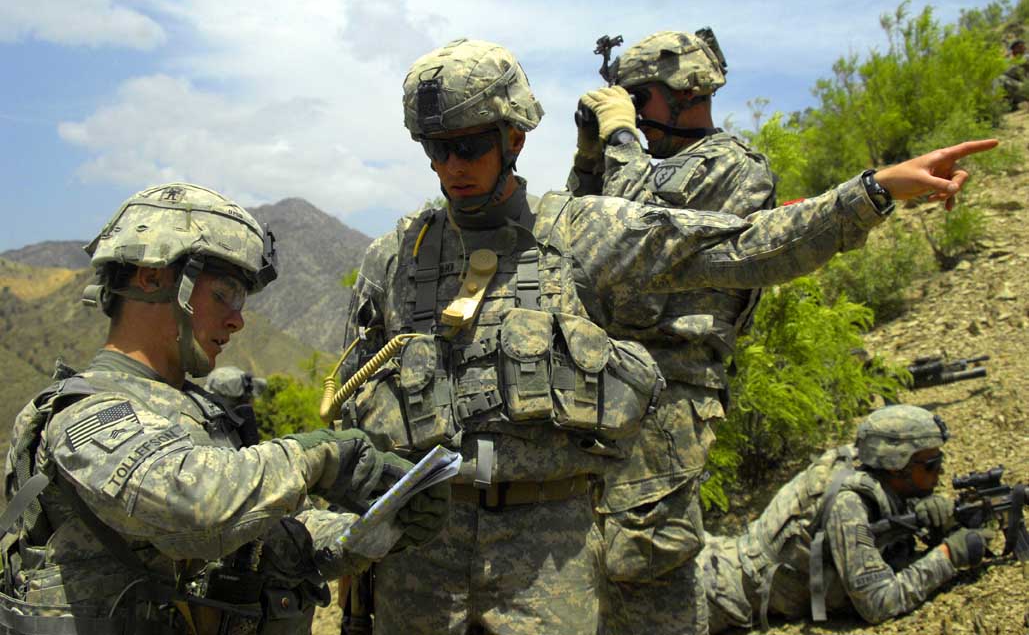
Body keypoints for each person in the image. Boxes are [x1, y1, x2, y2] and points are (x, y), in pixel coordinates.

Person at [338, 36, 995, 634]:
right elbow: (354, 408)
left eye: (470, 143)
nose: (451, 164)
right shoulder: (394, 256)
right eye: (435, 147)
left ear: (514, 137)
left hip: (545, 554)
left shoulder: (577, 233)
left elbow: (741, 246)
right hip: (423, 553)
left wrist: (873, 192)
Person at [0, 183, 449, 634]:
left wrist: (375, 530)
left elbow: (265, 544)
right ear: (151, 277)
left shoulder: (201, 412)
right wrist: (323, 457)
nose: (237, 319)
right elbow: (196, 509)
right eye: (224, 294)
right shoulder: (86, 412)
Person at [567, 29, 777, 635]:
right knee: (588, 568)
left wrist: (623, 139)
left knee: (649, 565)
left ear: (685, 92)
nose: (628, 110)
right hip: (599, 392)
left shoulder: (736, 168)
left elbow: (636, 233)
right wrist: (590, 154)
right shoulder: (644, 163)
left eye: (638, 98)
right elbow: (575, 238)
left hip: (668, 399)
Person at [700, 404, 994, 631]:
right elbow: (879, 602)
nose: (940, 472)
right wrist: (948, 555)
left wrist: (930, 512)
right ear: (896, 464)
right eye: (932, 464)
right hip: (716, 595)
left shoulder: (869, 467)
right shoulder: (849, 504)